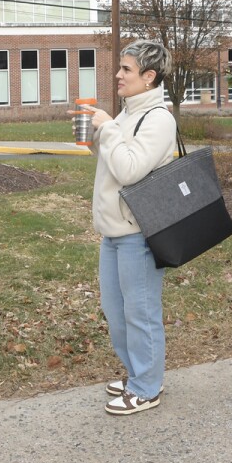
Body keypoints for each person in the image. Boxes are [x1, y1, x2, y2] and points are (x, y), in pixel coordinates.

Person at [74, 40, 177, 415]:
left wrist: (109, 129)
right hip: (113, 231)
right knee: (116, 312)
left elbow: (131, 170)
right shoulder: (127, 114)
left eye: (127, 69)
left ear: (149, 77)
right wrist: (96, 135)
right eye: (119, 68)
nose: (118, 74)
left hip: (139, 233)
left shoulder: (159, 118)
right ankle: (138, 373)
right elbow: (113, 163)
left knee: (141, 312)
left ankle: (148, 387)